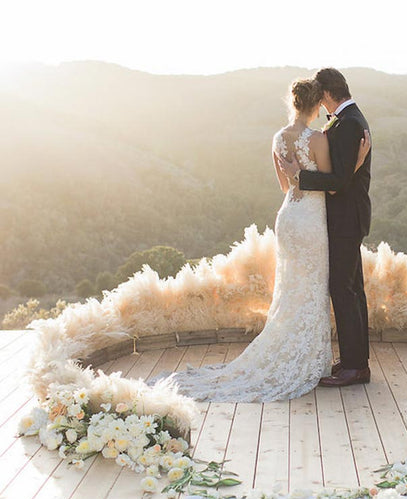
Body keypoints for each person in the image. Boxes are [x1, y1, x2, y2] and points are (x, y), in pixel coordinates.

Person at [151, 77, 370, 402]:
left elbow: (286, 187)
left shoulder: (278, 139)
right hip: (312, 221)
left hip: (289, 217)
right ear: (315, 103)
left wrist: (297, 174)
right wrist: (357, 162)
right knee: (314, 289)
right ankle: (314, 358)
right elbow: (334, 184)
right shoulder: (318, 139)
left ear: (292, 102)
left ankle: (305, 354)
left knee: (293, 288)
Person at [277, 68, 372, 387]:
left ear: (328, 95)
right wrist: (353, 168)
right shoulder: (346, 120)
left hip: (345, 217)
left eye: (321, 96)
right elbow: (344, 174)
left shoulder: (348, 124)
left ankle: (355, 367)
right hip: (343, 216)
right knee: (351, 287)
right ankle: (354, 360)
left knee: (343, 288)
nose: (318, 102)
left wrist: (299, 176)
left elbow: (339, 182)